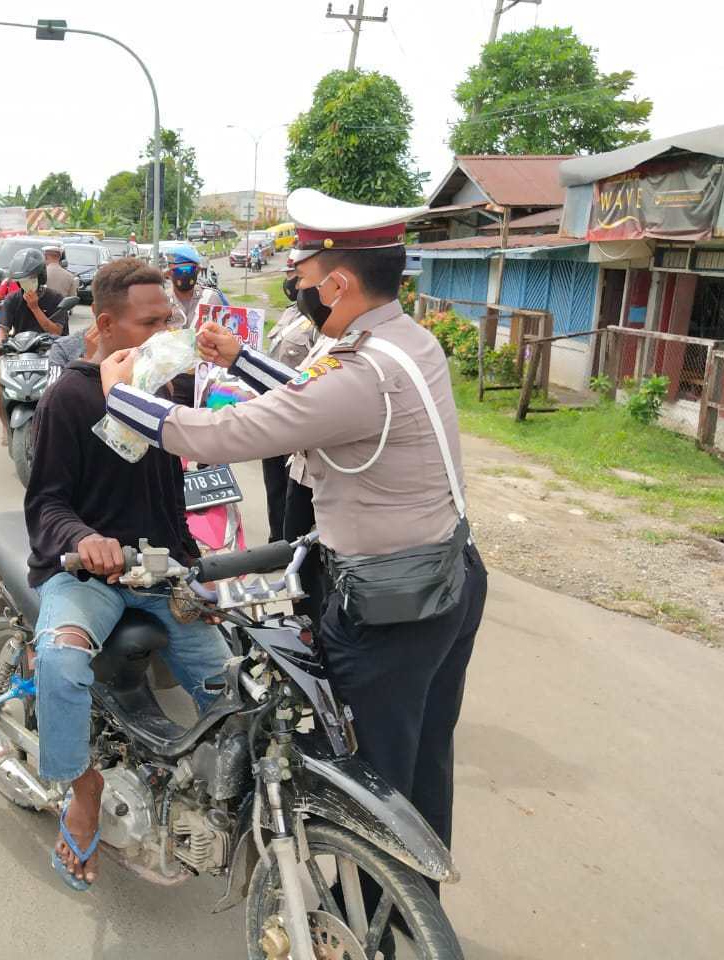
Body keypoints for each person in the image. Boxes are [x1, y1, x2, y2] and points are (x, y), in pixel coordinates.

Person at [100, 187, 489, 872]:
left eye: (305, 282)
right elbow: (319, 401)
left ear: (339, 283)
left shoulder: (359, 368)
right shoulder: (404, 341)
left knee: (368, 775)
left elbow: (231, 432)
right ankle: (413, 907)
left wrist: (123, 399)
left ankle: (368, 912)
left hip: (389, 601)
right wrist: (241, 359)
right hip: (447, 576)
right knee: (424, 758)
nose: (300, 292)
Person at [24, 257, 231, 890]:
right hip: (87, 578)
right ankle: (82, 791)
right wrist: (87, 540)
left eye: (170, 318)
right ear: (108, 325)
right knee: (60, 663)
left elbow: (173, 497)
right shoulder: (70, 395)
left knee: (232, 684)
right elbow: (47, 502)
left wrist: (198, 574)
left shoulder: (166, 390)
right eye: (152, 322)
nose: (168, 331)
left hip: (163, 574)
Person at [261, 250, 319, 543]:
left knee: (292, 484)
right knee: (273, 482)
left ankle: (289, 546)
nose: (289, 282)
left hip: (296, 414)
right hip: (271, 408)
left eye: (294, 276)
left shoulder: (320, 323)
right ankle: (275, 542)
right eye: (286, 276)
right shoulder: (288, 314)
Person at [0, 246, 64, 443]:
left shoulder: (56, 299)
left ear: (41, 276)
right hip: (19, 352)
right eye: (22, 280)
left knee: (70, 383)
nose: (26, 283)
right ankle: (4, 422)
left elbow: (56, 331)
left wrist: (35, 308)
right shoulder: (12, 299)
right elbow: (3, 328)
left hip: (51, 352)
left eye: (31, 278)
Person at [166, 244, 226, 331]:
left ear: (198, 271)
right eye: (179, 271)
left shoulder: (211, 299)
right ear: (169, 273)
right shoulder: (162, 302)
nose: (184, 275)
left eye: (188, 270)